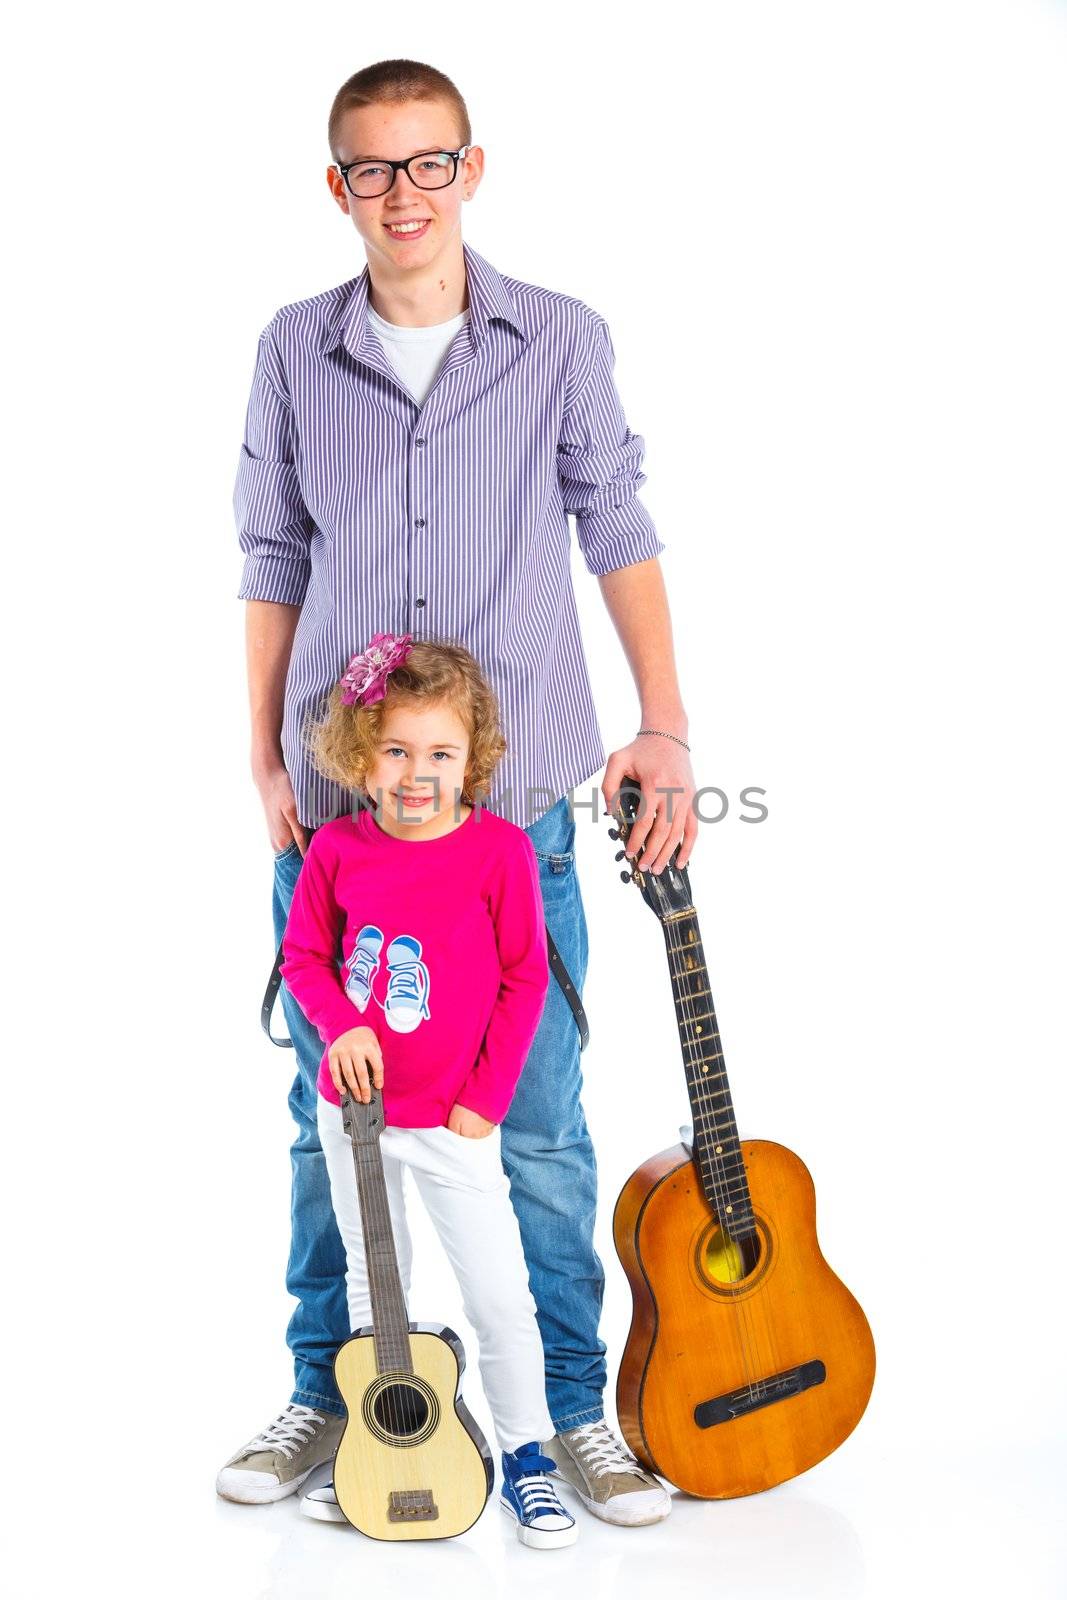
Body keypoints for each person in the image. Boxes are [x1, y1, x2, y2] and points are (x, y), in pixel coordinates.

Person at [218, 57, 696, 1527]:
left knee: (535, 1118)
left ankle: (563, 1409)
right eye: (374, 169)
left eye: (429, 163)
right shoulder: (297, 351)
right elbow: (271, 556)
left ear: (470, 170)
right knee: (328, 1115)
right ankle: (337, 1386)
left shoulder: (553, 341)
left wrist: (660, 722)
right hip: (344, 818)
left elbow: (614, 519)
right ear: (337, 187)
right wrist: (262, 750)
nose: (403, 193)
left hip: (521, 804)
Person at [275, 631, 578, 1547]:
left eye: (440, 753)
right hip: (355, 1118)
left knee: (497, 1295)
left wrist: (484, 1100)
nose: (417, 773)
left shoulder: (496, 853)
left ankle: (527, 1453)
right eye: (395, 751)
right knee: (380, 1299)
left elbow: (527, 978)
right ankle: (378, 1447)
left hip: (453, 1119)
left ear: (471, 758)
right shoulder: (335, 849)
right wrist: (343, 1024)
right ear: (359, 758)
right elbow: (304, 958)